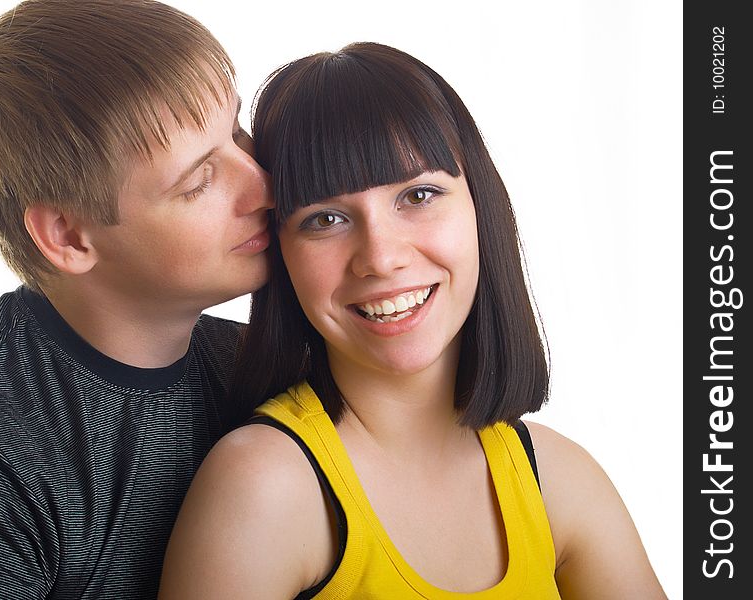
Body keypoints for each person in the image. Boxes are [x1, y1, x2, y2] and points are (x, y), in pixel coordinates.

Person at [158, 43, 667, 599]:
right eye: (324, 219)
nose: (380, 257)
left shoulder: (559, 479)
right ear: (280, 252)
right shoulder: (264, 486)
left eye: (418, 194)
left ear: (480, 206)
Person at [0, 0, 271, 597]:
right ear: (66, 236)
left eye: (238, 131)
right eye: (199, 182)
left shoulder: (256, 364)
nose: (262, 184)